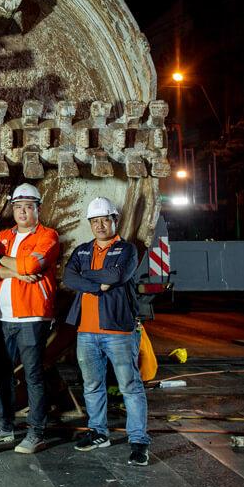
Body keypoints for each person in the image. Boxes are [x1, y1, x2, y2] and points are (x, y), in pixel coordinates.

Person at [63, 196, 151, 466]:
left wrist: (87, 277)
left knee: (130, 386)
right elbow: (68, 278)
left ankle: (138, 441)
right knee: (92, 385)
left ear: (115, 220)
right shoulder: (82, 251)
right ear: (90, 223)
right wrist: (96, 283)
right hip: (86, 332)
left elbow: (117, 277)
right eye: (95, 221)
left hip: (119, 331)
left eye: (105, 220)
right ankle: (99, 432)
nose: (100, 225)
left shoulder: (127, 250)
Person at [0, 183, 60, 454]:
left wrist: (5, 263)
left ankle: (36, 433)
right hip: (2, 317)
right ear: (12, 209)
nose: (23, 212)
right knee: (2, 375)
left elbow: (33, 265)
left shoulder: (48, 236)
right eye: (18, 207)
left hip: (31, 317)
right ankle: (5, 427)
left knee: (33, 376)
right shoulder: (2, 237)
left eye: (28, 207)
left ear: (38, 209)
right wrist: (15, 269)